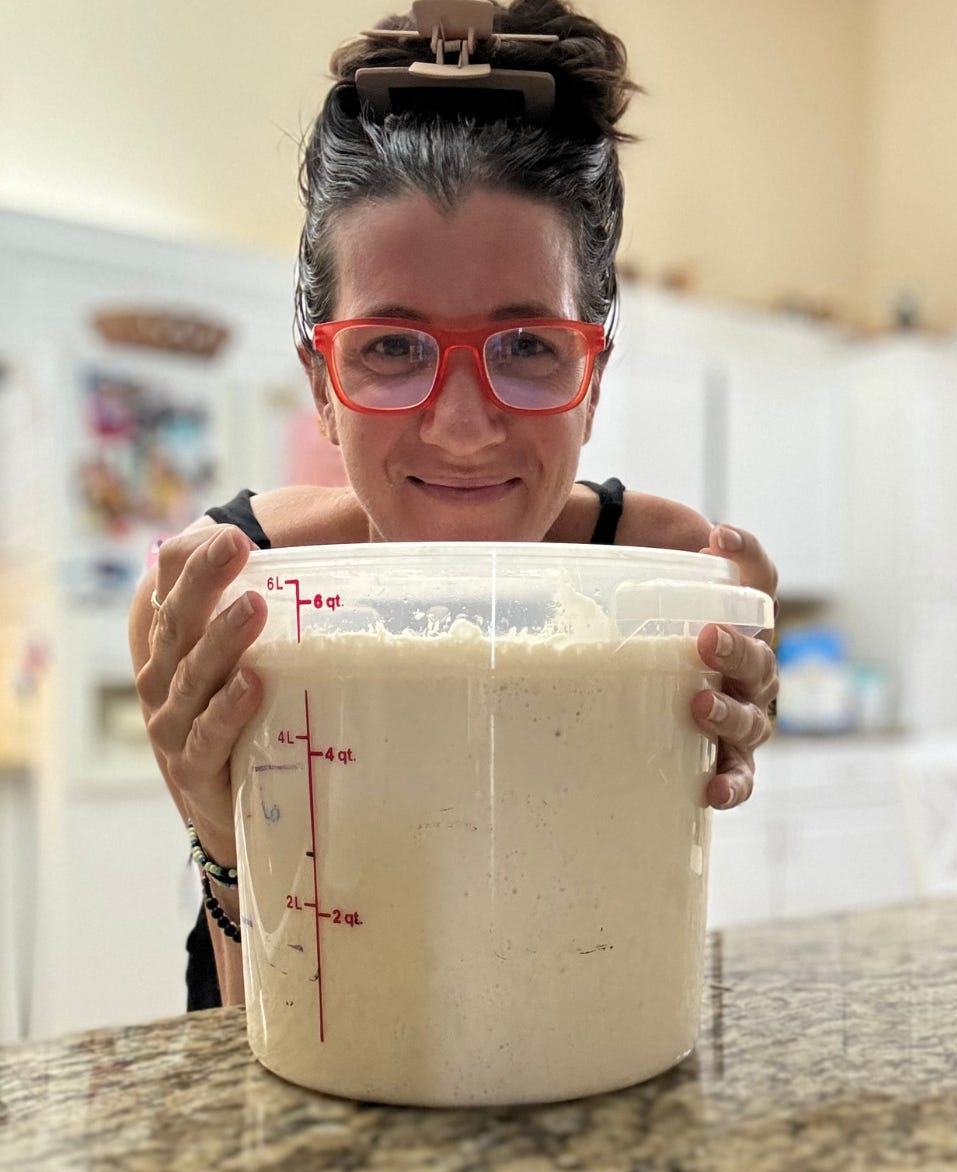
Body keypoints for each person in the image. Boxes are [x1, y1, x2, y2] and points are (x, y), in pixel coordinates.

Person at [129, 0, 779, 1012]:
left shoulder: (664, 574)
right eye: (392, 348)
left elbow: (628, 967)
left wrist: (736, 701)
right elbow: (269, 1039)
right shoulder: (226, 596)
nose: (464, 429)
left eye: (527, 346)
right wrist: (223, 836)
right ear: (322, 385)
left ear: (593, 381)